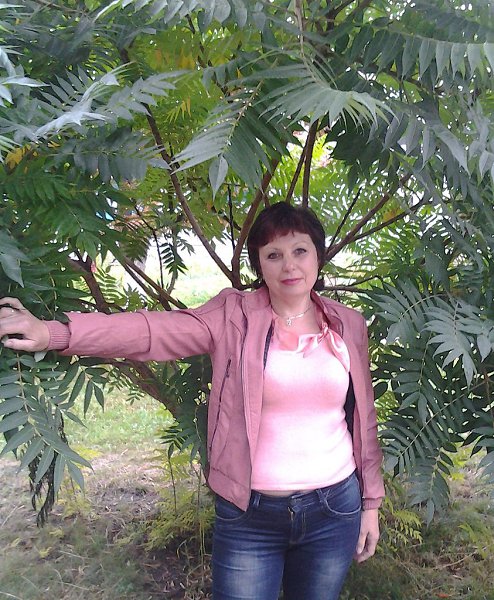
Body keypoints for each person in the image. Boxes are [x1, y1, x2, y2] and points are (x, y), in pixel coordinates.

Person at [0, 202, 384, 600]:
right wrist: (53, 334)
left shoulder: (347, 324)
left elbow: (364, 421)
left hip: (334, 509)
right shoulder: (232, 317)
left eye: (300, 250)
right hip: (249, 513)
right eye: (273, 255)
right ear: (259, 264)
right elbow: (151, 332)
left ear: (318, 254)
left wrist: (370, 504)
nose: (289, 265)